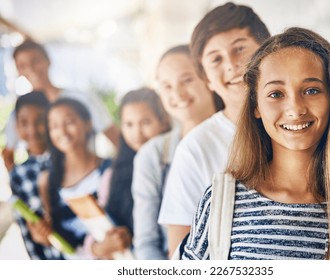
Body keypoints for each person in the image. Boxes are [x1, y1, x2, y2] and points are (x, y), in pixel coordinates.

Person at [182, 27, 330, 260]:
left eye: (311, 90)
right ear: (255, 106)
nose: (295, 109)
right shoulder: (221, 201)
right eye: (276, 94)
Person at [158, 2, 271, 255]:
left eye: (240, 48)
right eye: (216, 59)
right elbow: (179, 251)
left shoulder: (297, 124)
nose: (231, 64)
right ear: (207, 79)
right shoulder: (195, 147)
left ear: (267, 51)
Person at [131, 45, 222, 259]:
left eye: (187, 80)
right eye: (167, 86)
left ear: (208, 78)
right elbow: (147, 243)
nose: (178, 93)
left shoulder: (242, 138)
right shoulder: (152, 155)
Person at [2, 40, 119, 171]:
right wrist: (22, 181)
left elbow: (115, 137)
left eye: (35, 61)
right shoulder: (20, 111)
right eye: (22, 65)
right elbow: (8, 153)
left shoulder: (81, 98)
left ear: (48, 60)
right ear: (18, 70)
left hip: (86, 174)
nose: (31, 68)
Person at [87, 87, 171, 259]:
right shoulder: (112, 173)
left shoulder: (174, 163)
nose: (137, 132)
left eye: (146, 122)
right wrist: (102, 245)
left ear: (163, 121)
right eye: (129, 124)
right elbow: (98, 227)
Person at [36, 98, 113, 259]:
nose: (62, 131)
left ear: (88, 123)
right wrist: (42, 234)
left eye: (69, 122)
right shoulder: (47, 183)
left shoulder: (110, 171)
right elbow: (56, 237)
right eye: (54, 126)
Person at [9, 91, 63, 259]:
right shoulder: (18, 174)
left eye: (39, 120)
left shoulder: (68, 158)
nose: (32, 129)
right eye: (24, 123)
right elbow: (26, 229)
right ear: (16, 127)